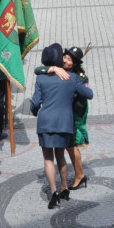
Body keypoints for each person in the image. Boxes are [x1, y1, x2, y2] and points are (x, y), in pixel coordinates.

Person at [30, 43, 94, 209]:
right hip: (64, 122)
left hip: (45, 122)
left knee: (48, 159)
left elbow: (35, 102)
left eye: (70, 59)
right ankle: (64, 186)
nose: (66, 60)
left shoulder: (42, 78)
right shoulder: (72, 78)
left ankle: (54, 192)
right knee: (61, 156)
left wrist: (34, 110)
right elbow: (89, 94)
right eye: (64, 57)